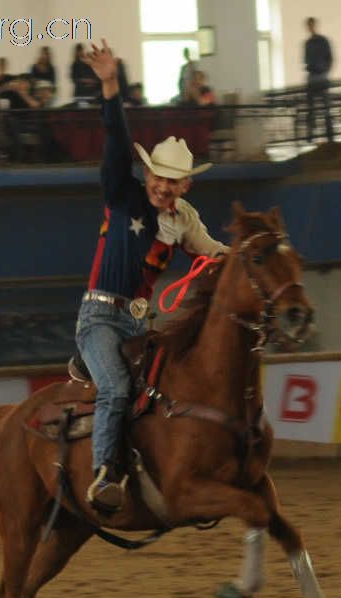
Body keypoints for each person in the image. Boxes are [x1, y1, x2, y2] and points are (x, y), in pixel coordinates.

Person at [77, 40, 229, 510]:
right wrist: (109, 86)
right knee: (119, 388)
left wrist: (253, 254)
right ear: (146, 176)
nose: (164, 186)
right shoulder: (122, 196)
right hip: (99, 319)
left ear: (186, 184)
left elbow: (213, 252)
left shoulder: (185, 218)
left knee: (164, 392)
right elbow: (116, 141)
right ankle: (104, 474)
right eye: (157, 177)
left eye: (173, 180)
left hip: (140, 325)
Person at [303, 17, 334, 143]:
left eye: (311, 25)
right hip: (313, 77)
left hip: (320, 76)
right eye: (308, 26)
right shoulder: (308, 43)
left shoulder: (322, 41)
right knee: (311, 108)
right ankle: (311, 134)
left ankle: (329, 135)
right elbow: (306, 60)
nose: (310, 28)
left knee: (325, 107)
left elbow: (330, 59)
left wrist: (324, 71)